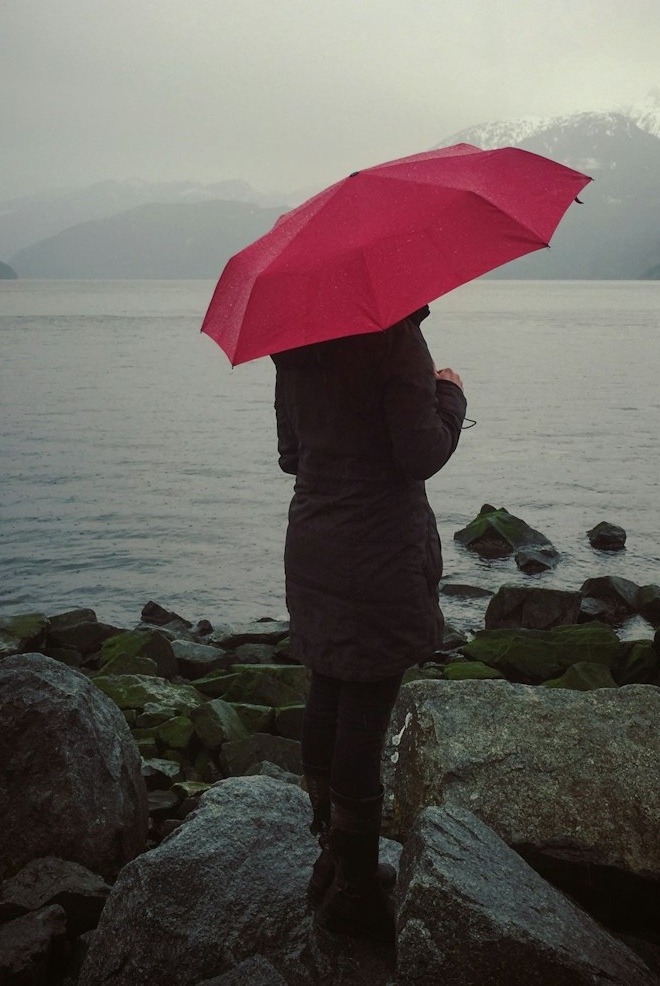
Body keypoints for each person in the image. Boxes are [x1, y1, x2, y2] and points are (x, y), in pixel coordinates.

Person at [272, 304, 467, 943]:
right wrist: (449, 396)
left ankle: (336, 852)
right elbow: (421, 454)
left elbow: (290, 454)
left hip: (316, 540)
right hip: (377, 550)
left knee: (329, 684)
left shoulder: (298, 340)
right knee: (365, 711)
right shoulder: (397, 342)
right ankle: (355, 889)